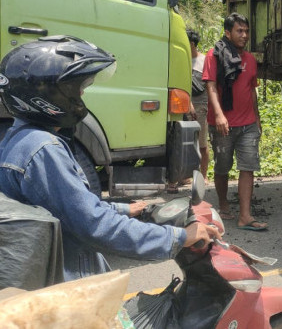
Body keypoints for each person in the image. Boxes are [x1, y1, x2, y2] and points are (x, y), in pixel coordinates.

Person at [0, 36, 220, 282]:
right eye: (77, 88)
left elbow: (65, 205)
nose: (82, 94)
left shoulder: (19, 138)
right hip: (68, 293)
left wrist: (124, 209)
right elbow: (95, 226)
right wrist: (180, 237)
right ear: (49, 95)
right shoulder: (43, 150)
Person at [202, 13, 266, 230]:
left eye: (246, 31)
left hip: (248, 124)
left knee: (248, 167)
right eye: (239, 31)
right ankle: (222, 202)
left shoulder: (250, 59)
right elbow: (210, 87)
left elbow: (252, 91)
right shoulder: (214, 56)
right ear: (228, 33)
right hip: (223, 125)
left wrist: (257, 119)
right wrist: (219, 115)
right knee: (222, 167)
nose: (244, 35)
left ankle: (245, 216)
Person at [187, 28, 210, 183]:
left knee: (202, 143)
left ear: (192, 43)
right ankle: (187, 175)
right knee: (187, 142)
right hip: (185, 105)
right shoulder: (182, 60)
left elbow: (210, 85)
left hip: (202, 105)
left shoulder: (204, 60)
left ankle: (204, 176)